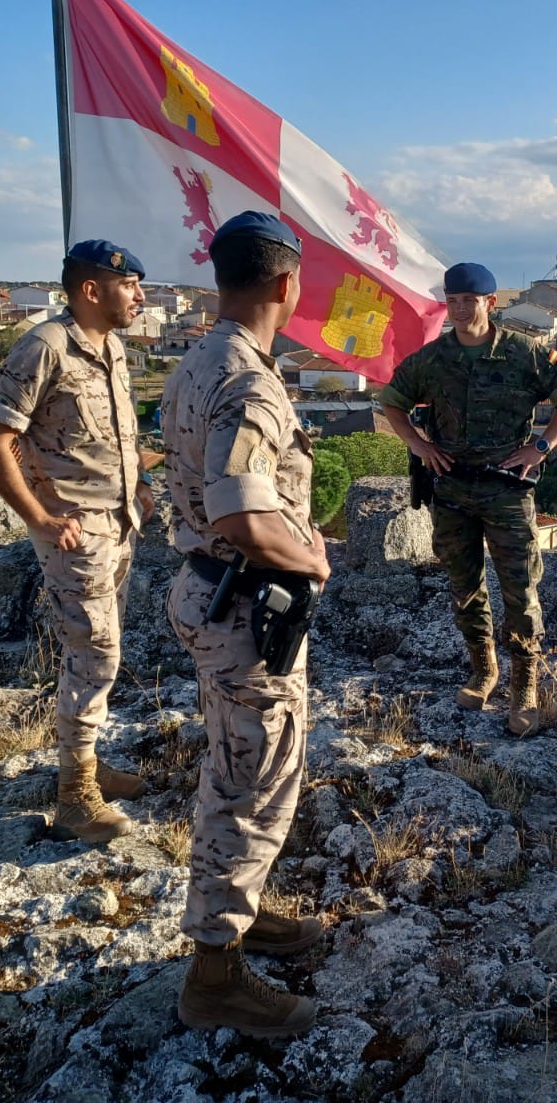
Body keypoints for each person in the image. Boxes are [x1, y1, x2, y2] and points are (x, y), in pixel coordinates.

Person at [159, 211, 329, 1039]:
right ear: (287, 286)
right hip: (246, 608)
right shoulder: (251, 382)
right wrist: (310, 559)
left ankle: (242, 907)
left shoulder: (198, 357)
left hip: (207, 594)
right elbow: (238, 512)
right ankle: (215, 973)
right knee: (256, 781)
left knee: (232, 763)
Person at [0, 238, 155, 844]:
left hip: (118, 524)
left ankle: (89, 760)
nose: (140, 295)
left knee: (100, 648)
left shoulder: (112, 348)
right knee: (95, 650)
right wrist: (38, 518)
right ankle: (76, 794)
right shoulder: (45, 347)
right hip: (74, 533)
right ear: (90, 289)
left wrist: (141, 486)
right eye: (129, 285)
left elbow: (113, 437)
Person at [379, 262, 557, 737]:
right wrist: (419, 445)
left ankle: (524, 683)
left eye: (469, 301)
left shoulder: (524, 353)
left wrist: (541, 447)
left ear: (489, 304)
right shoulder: (432, 359)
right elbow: (391, 400)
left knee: (520, 591)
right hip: (451, 489)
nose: (459, 309)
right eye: (452, 301)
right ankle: (483, 670)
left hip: (506, 489)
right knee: (464, 587)